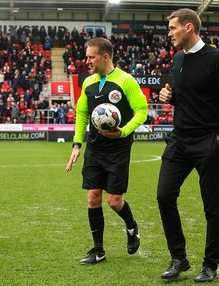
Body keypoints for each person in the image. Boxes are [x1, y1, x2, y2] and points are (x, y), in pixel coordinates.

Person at [157, 9, 219, 282]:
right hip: (179, 140)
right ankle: (179, 258)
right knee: (164, 195)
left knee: (212, 207)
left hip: (208, 142)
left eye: (172, 28)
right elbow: (186, 98)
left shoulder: (217, 60)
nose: (169, 33)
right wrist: (170, 97)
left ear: (188, 27)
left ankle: (210, 265)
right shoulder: (178, 59)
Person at [65, 37, 148, 265]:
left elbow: (142, 111)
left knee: (114, 202)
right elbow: (82, 114)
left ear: (105, 57)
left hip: (118, 150)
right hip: (95, 148)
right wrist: (77, 144)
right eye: (87, 56)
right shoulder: (88, 82)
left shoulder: (126, 81)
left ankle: (131, 226)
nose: (87, 61)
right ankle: (98, 251)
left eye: (91, 57)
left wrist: (124, 131)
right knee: (93, 198)